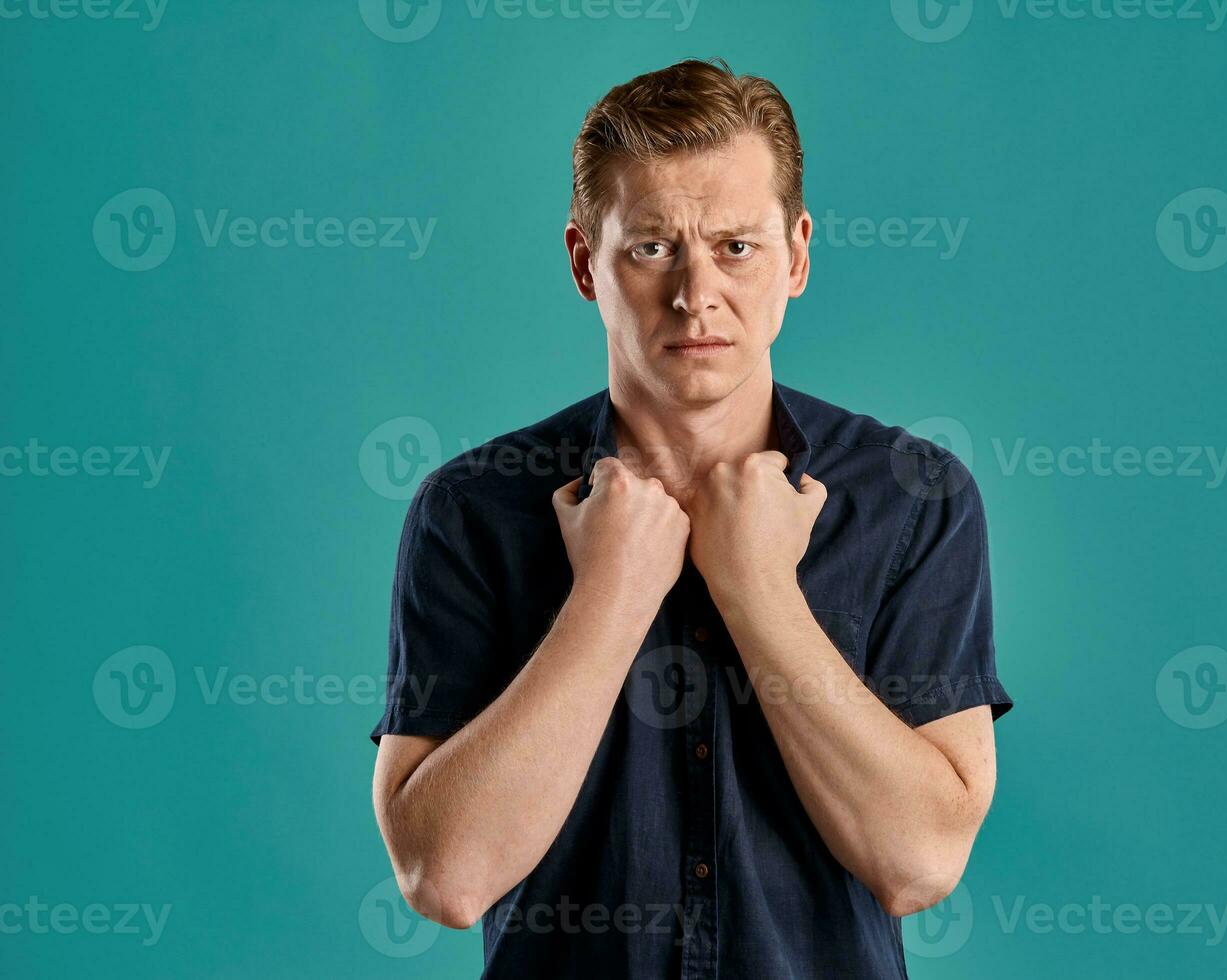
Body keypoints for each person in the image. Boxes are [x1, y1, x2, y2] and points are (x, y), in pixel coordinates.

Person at [370, 57, 1012, 979]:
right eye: (651, 248)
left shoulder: (915, 499)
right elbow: (445, 876)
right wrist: (607, 599)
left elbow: (920, 862)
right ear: (586, 262)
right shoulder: (472, 512)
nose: (695, 293)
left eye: (736, 246)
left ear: (796, 254)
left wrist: (758, 592)